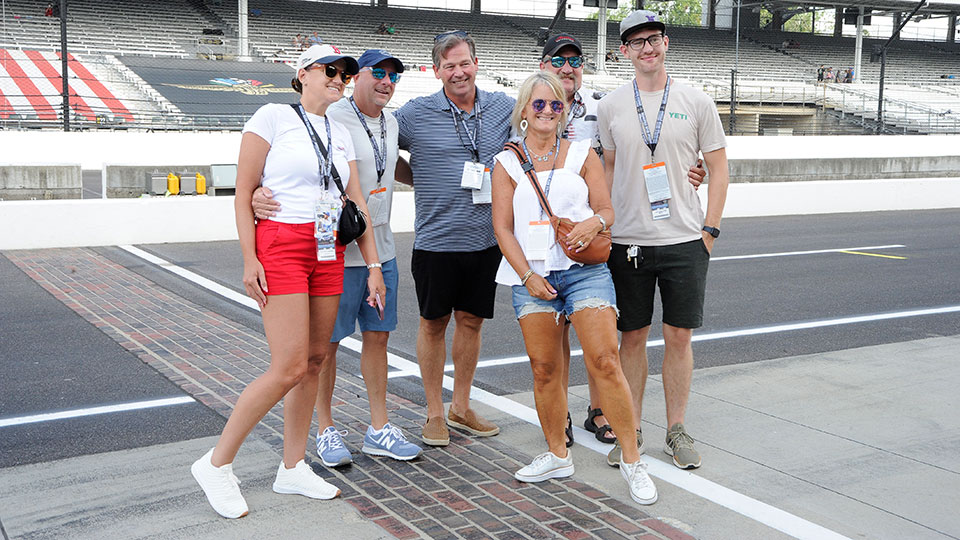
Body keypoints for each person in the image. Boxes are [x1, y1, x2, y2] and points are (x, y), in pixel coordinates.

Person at [190, 44, 382, 519]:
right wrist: (249, 257)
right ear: (303, 74)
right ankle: (217, 464)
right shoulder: (272, 115)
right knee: (289, 366)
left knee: (314, 361)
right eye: (330, 70)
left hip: (327, 248)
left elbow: (356, 202)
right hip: (280, 245)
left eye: (346, 73)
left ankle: (292, 465)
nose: (339, 78)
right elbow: (242, 193)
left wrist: (374, 266)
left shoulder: (340, 132)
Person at [491, 71, 658, 505]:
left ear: (566, 111)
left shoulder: (582, 152)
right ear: (524, 111)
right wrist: (527, 275)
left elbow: (607, 208)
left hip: (584, 270)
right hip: (534, 277)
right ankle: (557, 453)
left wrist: (594, 222)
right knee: (544, 368)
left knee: (604, 360)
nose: (548, 111)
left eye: (556, 105)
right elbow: (502, 228)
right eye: (539, 104)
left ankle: (633, 460)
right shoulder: (507, 161)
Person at [251, 49, 421, 467]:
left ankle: (378, 427)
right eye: (376, 73)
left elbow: (391, 165)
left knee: (378, 336)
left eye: (392, 76)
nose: (385, 81)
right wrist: (256, 194)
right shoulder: (332, 117)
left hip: (379, 247)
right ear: (356, 77)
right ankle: (325, 429)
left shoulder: (393, 121)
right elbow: (276, 170)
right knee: (324, 347)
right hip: (334, 251)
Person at [539, 33, 706, 448]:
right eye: (558, 61)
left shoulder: (603, 104)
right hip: (546, 233)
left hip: (598, 233)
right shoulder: (531, 105)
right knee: (553, 331)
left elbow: (631, 157)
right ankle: (557, 415)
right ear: (543, 65)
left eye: (574, 60)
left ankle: (601, 409)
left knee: (601, 331)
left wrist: (691, 170)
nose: (567, 68)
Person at [598, 11, 729, 471]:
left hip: (684, 239)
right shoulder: (612, 105)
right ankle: (630, 431)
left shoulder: (696, 100)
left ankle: (676, 429)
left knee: (678, 336)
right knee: (631, 338)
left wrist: (709, 229)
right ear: (624, 52)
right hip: (628, 240)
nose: (647, 48)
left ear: (666, 43)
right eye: (637, 43)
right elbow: (609, 171)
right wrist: (607, 224)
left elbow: (717, 167)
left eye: (653, 39)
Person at [393, 30, 515, 447]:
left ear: (476, 63)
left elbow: (541, 127)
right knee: (433, 324)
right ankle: (433, 413)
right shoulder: (415, 113)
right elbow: (379, 144)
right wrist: (419, 178)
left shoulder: (502, 107)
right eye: (449, 66)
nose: (458, 72)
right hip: (436, 242)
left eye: (464, 63)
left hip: (486, 240)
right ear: (435, 70)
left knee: (472, 321)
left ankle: (460, 407)